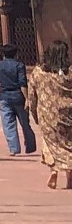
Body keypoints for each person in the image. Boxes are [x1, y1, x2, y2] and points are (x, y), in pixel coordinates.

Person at [30, 40, 72, 190]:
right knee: (68, 143)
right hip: (68, 114)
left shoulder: (39, 72)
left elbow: (32, 95)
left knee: (50, 143)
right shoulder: (70, 72)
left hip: (47, 113)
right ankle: (69, 174)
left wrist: (34, 112)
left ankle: (54, 170)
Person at [0, 43, 35, 157]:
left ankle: (14, 148)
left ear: (2, 54)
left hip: (4, 96)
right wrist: (27, 98)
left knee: (8, 123)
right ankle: (30, 146)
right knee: (25, 123)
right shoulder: (19, 65)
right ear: (16, 54)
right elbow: (23, 83)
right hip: (18, 96)